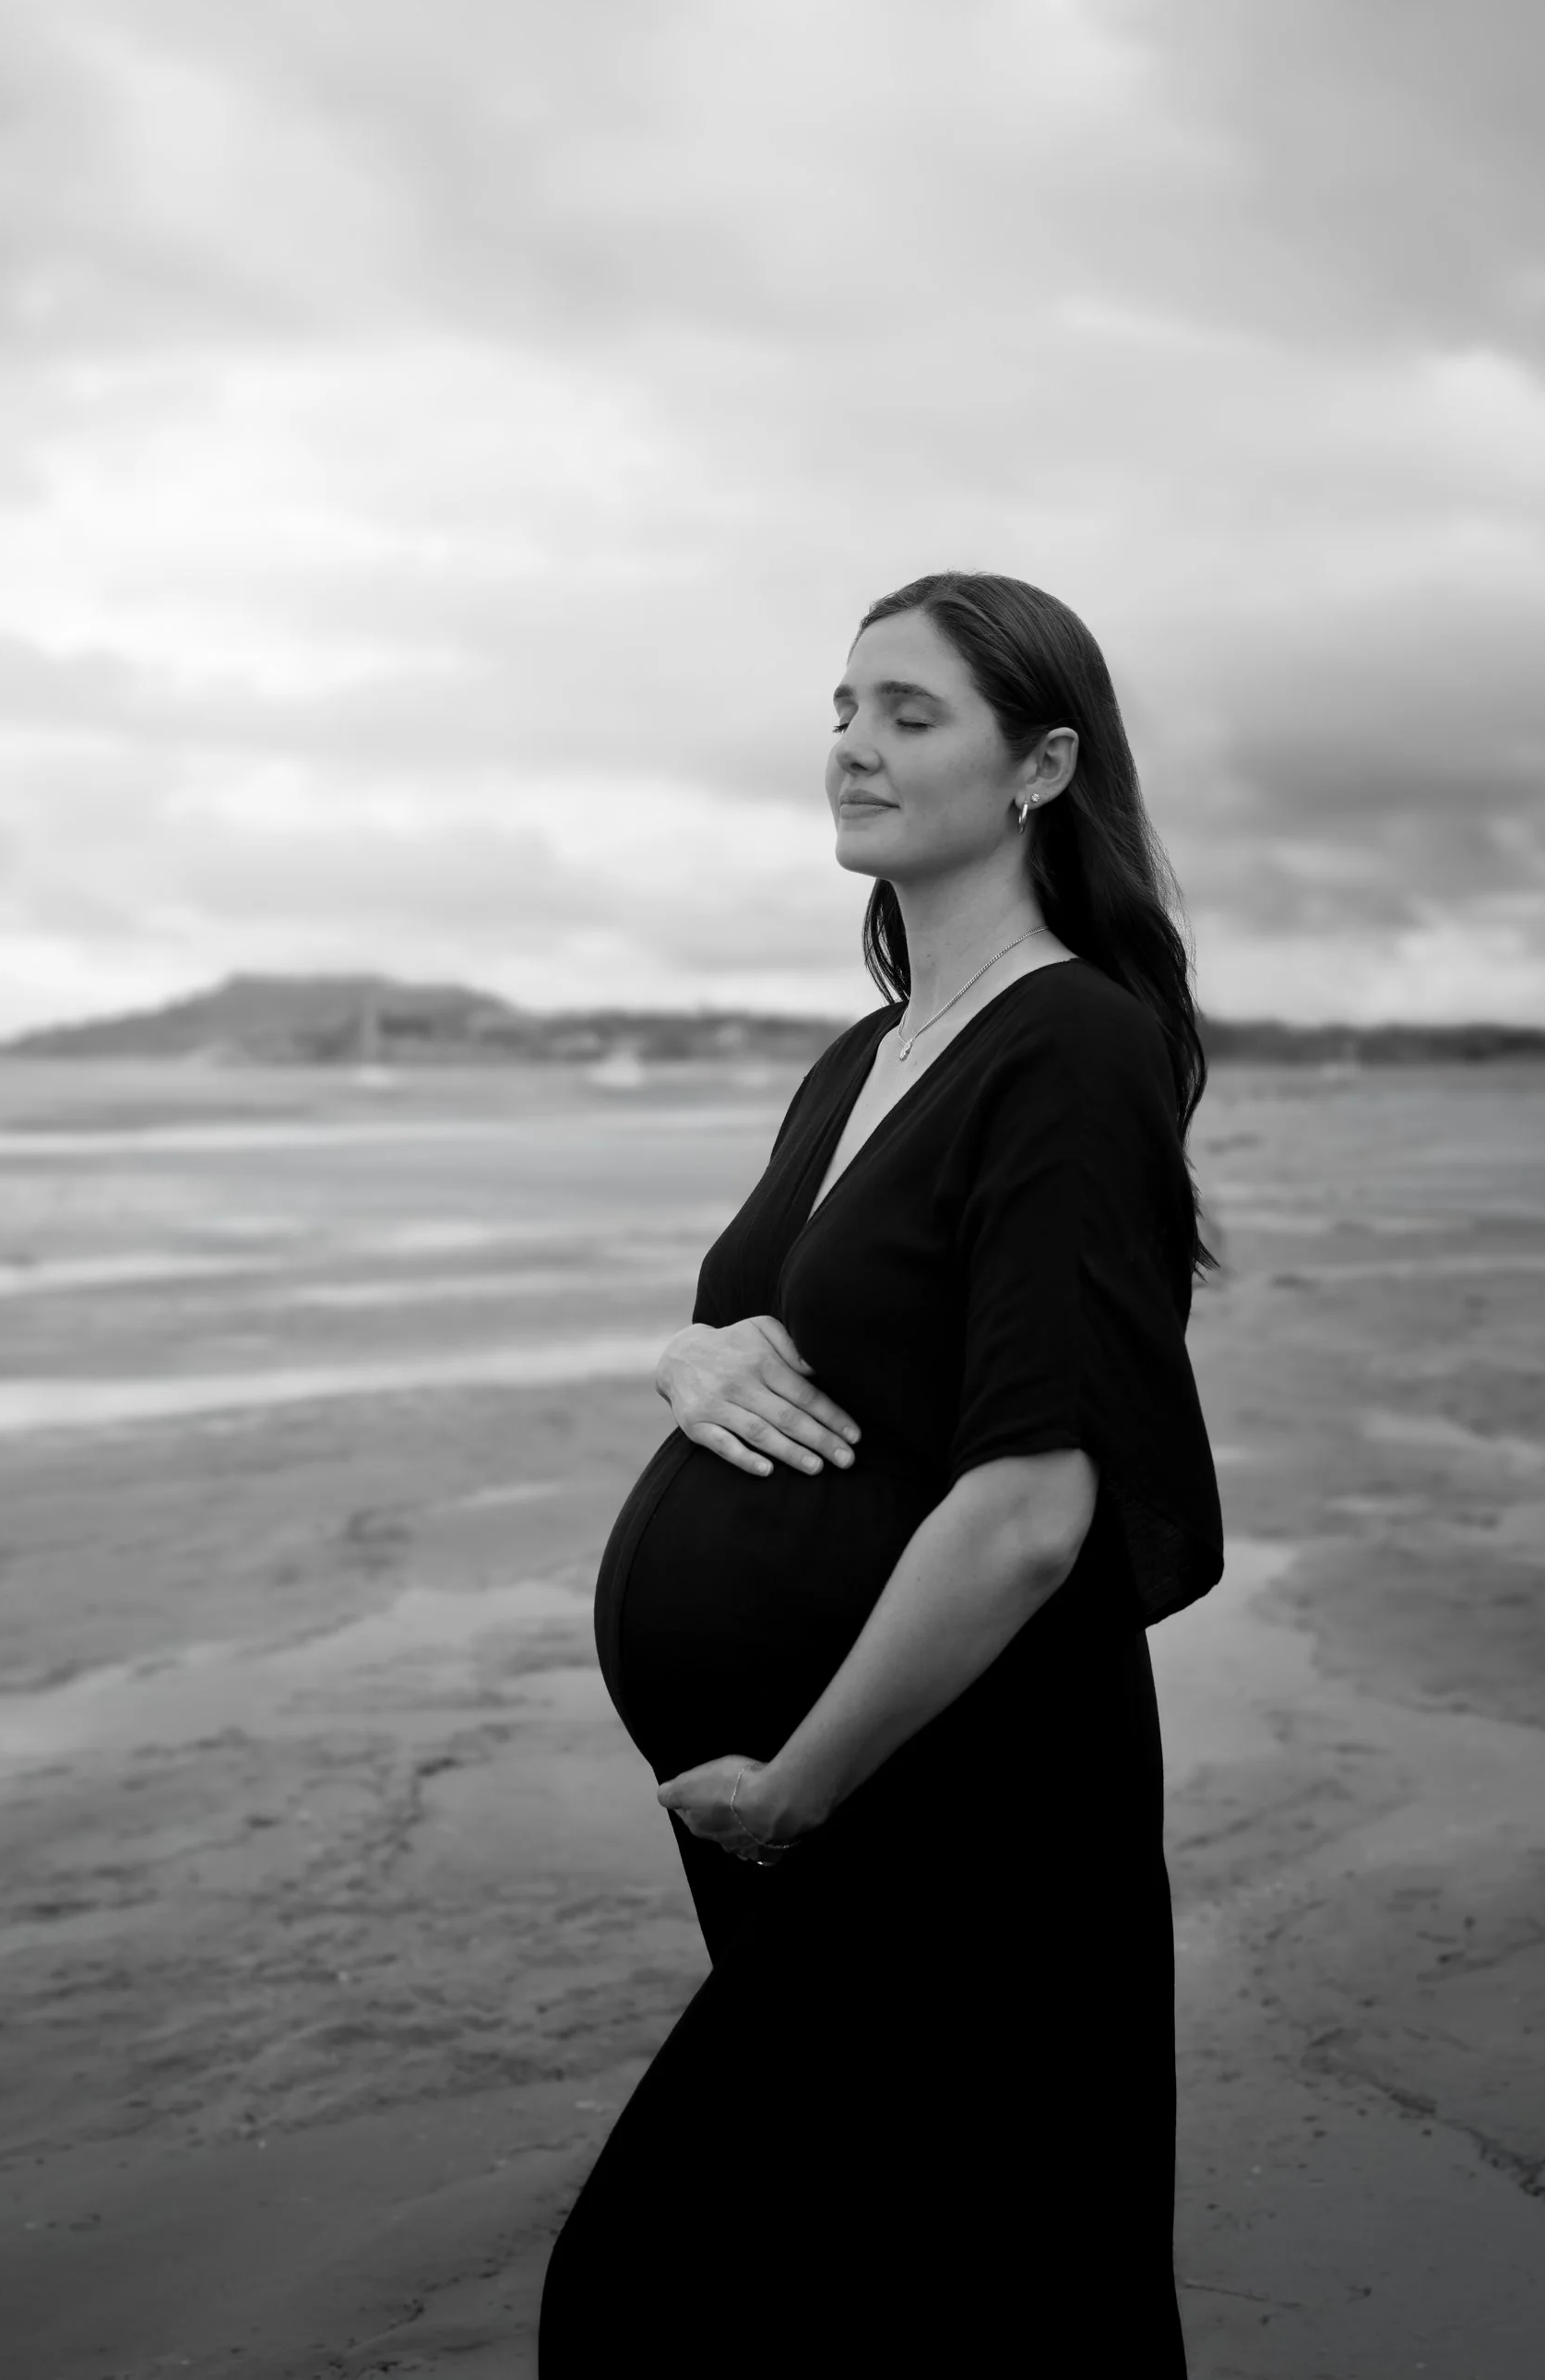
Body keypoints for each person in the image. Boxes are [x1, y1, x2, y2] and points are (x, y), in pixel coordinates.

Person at [537, 571, 1222, 2376]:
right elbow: (739, 1325)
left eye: (908, 712)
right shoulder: (866, 1048)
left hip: (944, 1792)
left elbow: (1028, 1505)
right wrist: (674, 1350)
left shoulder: (1071, 1045)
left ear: (1040, 765)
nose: (850, 742)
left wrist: (800, 1785)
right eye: (843, 704)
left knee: (690, 2284)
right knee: (894, 2273)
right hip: (817, 1797)